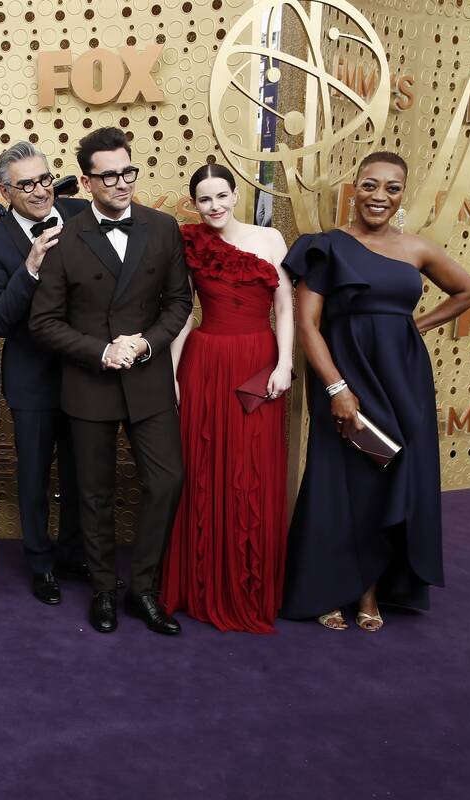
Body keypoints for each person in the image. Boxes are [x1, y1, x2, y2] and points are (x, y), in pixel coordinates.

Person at [280, 152, 470, 631]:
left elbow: (468, 292)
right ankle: (326, 588)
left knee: (390, 481)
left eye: (392, 188)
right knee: (336, 482)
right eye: (370, 185)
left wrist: (415, 327)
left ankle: (370, 590)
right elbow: (307, 326)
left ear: (402, 194)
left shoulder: (417, 248)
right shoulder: (326, 246)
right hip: (345, 379)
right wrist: (337, 388)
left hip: (403, 382)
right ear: (354, 187)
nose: (380, 196)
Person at [29, 127, 192, 635]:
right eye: (109, 176)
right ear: (86, 181)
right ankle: (103, 587)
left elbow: (179, 303)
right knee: (93, 493)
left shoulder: (162, 228)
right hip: (90, 382)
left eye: (128, 172)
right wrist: (101, 351)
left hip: (148, 378)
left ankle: (142, 588)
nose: (121, 183)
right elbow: (43, 322)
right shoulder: (63, 239)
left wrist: (144, 344)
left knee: (167, 481)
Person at [159, 163, 293, 634]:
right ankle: (201, 583)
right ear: (194, 204)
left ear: (236, 195)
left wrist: (284, 363)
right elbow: (183, 313)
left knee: (252, 469)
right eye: (204, 199)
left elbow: (284, 305)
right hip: (207, 363)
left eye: (221, 196)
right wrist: (173, 374)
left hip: (258, 359)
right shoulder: (190, 243)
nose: (214, 206)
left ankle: (248, 585)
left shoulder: (270, 239)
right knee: (204, 468)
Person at [0, 142, 90, 606]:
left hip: (85, 371)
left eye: (45, 179)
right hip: (32, 377)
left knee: (83, 472)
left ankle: (76, 554)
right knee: (35, 475)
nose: (41, 191)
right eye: (26, 185)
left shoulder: (82, 214)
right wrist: (30, 266)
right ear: (5, 192)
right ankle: (41, 563)